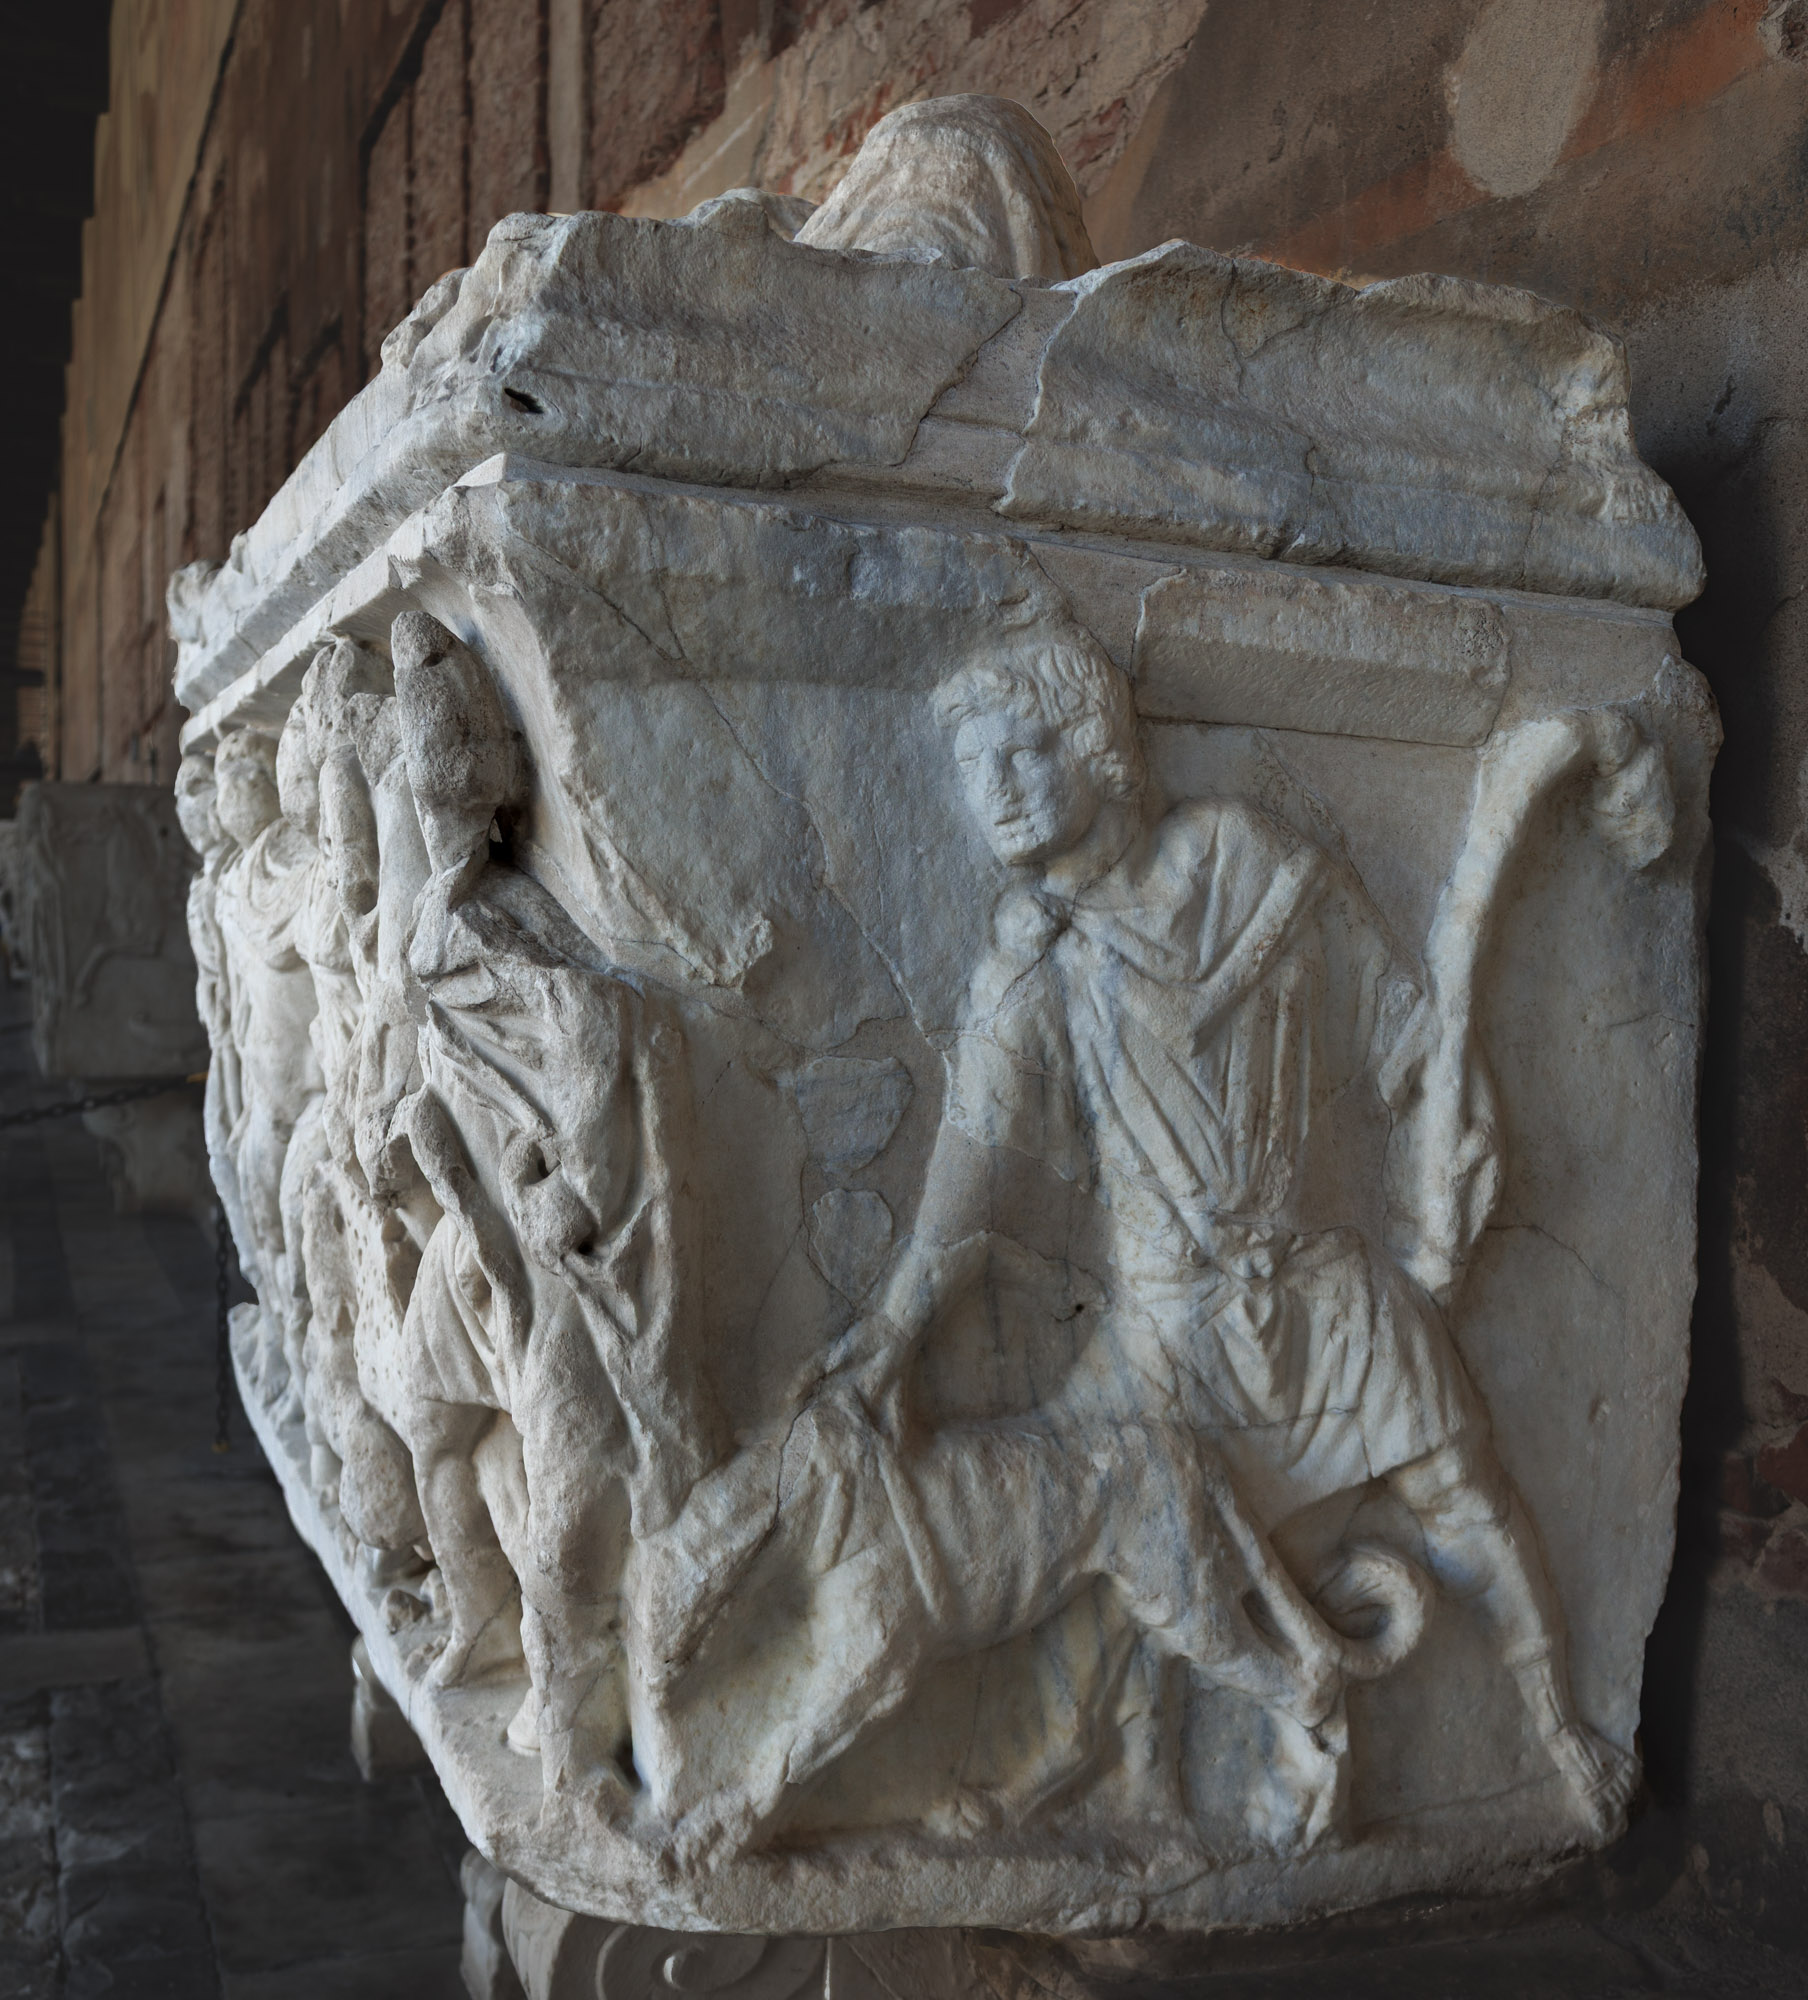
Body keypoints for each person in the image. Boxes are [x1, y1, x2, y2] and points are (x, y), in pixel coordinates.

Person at [820, 633, 1634, 1841]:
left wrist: (1450, 1110)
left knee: (1463, 1487)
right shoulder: (1030, 958)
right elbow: (974, 1171)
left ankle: (1557, 1719)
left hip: (1316, 1282)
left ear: (1096, 744)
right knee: (1103, 1516)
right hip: (1166, 1318)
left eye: (1018, 752)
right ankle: (1093, 1755)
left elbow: (1400, 1032)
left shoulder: (1252, 866)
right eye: (969, 768)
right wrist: (894, 1329)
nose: (990, 789)